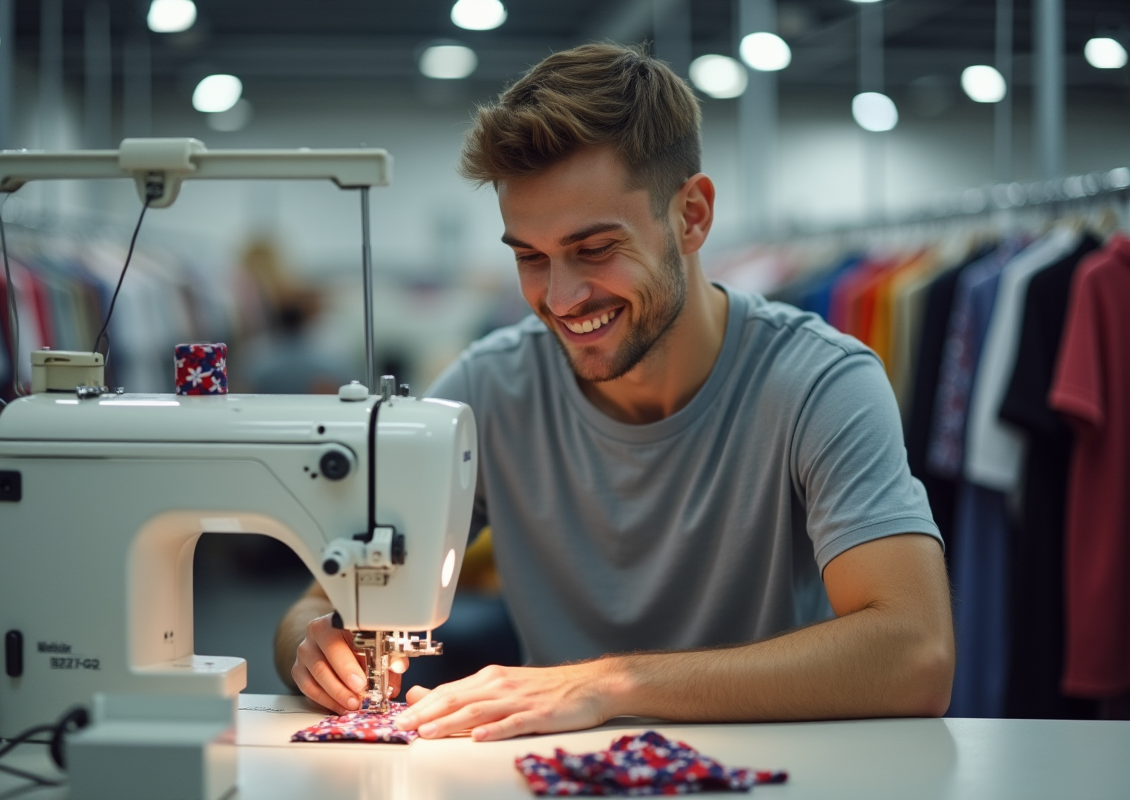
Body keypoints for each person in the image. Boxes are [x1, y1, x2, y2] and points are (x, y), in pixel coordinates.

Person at [275, 42, 954, 742]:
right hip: (558, 770)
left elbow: (915, 652)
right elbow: (317, 601)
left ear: (691, 216)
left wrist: (607, 684)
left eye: (595, 249)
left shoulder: (819, 382)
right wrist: (311, 645)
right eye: (530, 258)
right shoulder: (488, 388)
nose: (561, 298)